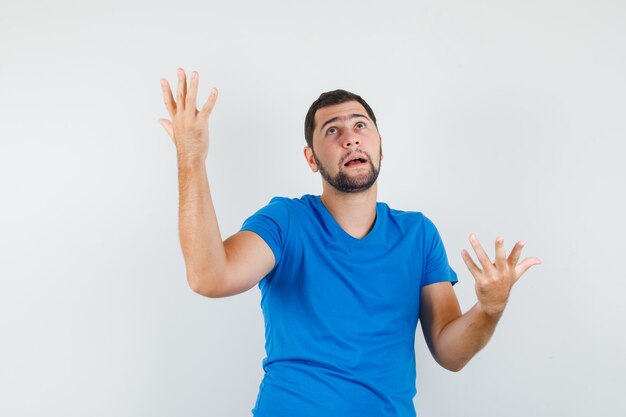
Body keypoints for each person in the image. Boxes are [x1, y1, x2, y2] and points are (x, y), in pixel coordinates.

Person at [158, 68, 542, 417]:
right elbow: (208, 276)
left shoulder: (418, 235)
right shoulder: (285, 222)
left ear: (380, 145)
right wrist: (191, 158)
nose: (350, 138)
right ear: (311, 158)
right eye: (332, 131)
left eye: (361, 126)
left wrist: (489, 308)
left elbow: (450, 352)